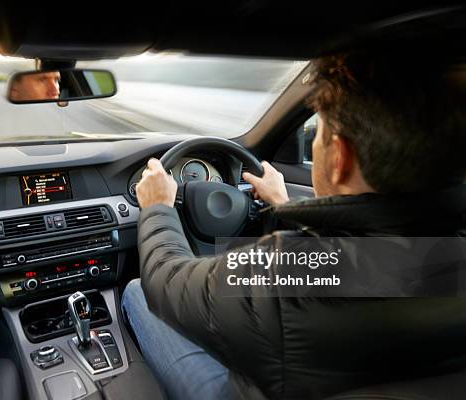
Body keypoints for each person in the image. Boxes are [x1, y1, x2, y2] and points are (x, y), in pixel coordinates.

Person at [122, 50, 466, 400]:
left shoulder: (296, 269)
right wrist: (283, 204)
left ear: (339, 158)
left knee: (136, 290)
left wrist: (158, 207)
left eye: (319, 133)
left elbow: (165, 278)